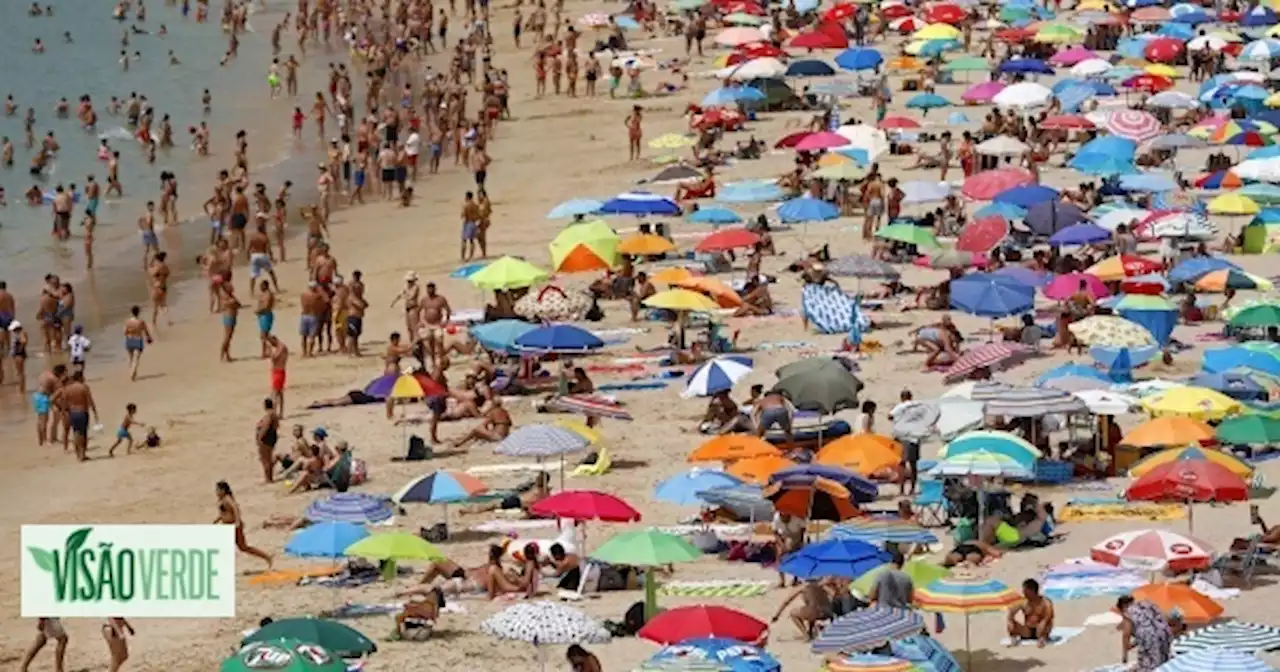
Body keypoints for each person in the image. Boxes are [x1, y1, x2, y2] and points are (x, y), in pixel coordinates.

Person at [214, 480, 272, 569]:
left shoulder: (227, 498)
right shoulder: (222, 500)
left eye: (218, 490)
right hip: (228, 526)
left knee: (243, 547)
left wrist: (237, 522)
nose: (216, 492)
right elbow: (225, 512)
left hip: (233, 526)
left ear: (223, 490)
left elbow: (235, 508)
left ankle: (267, 557)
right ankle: (267, 557)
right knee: (241, 547)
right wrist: (217, 520)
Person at [1117, 595, 1173, 671]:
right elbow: (1150, 626)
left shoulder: (1128, 611)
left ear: (1122, 606)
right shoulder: (1147, 604)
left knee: (1148, 663)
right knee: (1162, 659)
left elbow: (1126, 635)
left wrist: (1125, 654)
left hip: (1149, 638)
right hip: (1164, 632)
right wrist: (1132, 645)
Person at [1007, 578, 1055, 647]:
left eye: (1025, 591)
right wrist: (1010, 619)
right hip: (1027, 631)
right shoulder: (1023, 602)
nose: (1023, 592)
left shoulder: (1045, 602)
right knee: (1011, 623)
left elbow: (1050, 615)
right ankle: (1013, 639)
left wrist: (1043, 622)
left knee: (1046, 623)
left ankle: (1042, 639)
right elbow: (1011, 614)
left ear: (1032, 590)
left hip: (1042, 630)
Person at [122, 305, 153, 381]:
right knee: (136, 359)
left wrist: (130, 332)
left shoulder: (128, 322)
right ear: (138, 312)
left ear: (132, 312)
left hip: (130, 340)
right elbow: (146, 331)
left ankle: (131, 372)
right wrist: (149, 338)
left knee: (130, 358)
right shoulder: (141, 322)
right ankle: (133, 373)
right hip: (138, 340)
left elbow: (124, 332)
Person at [256, 398, 281, 483]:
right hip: (272, 437)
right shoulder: (274, 414)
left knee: (265, 459)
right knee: (268, 458)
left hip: (266, 438)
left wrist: (260, 437)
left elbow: (266, 427)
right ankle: (269, 477)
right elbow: (277, 426)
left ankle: (268, 478)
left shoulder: (269, 415)